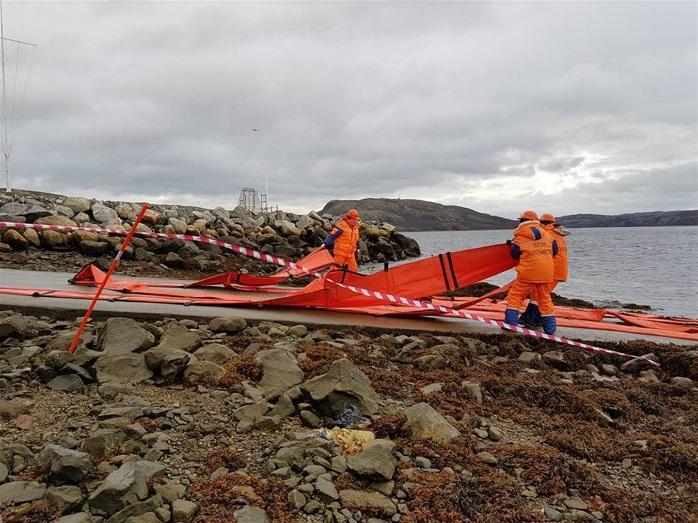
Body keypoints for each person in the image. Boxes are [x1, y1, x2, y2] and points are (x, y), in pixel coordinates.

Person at [504, 210, 558, 334]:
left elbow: (514, 254)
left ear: (522, 221)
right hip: (546, 273)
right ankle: (550, 329)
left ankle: (510, 325)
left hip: (527, 273)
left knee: (515, 296)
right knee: (545, 299)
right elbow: (554, 251)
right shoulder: (548, 235)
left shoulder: (520, 236)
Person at [520, 213, 569, 326]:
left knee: (538, 295)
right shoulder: (557, 234)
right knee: (541, 294)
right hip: (559, 271)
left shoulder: (546, 233)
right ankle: (537, 319)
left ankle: (529, 318)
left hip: (550, 270)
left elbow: (532, 246)